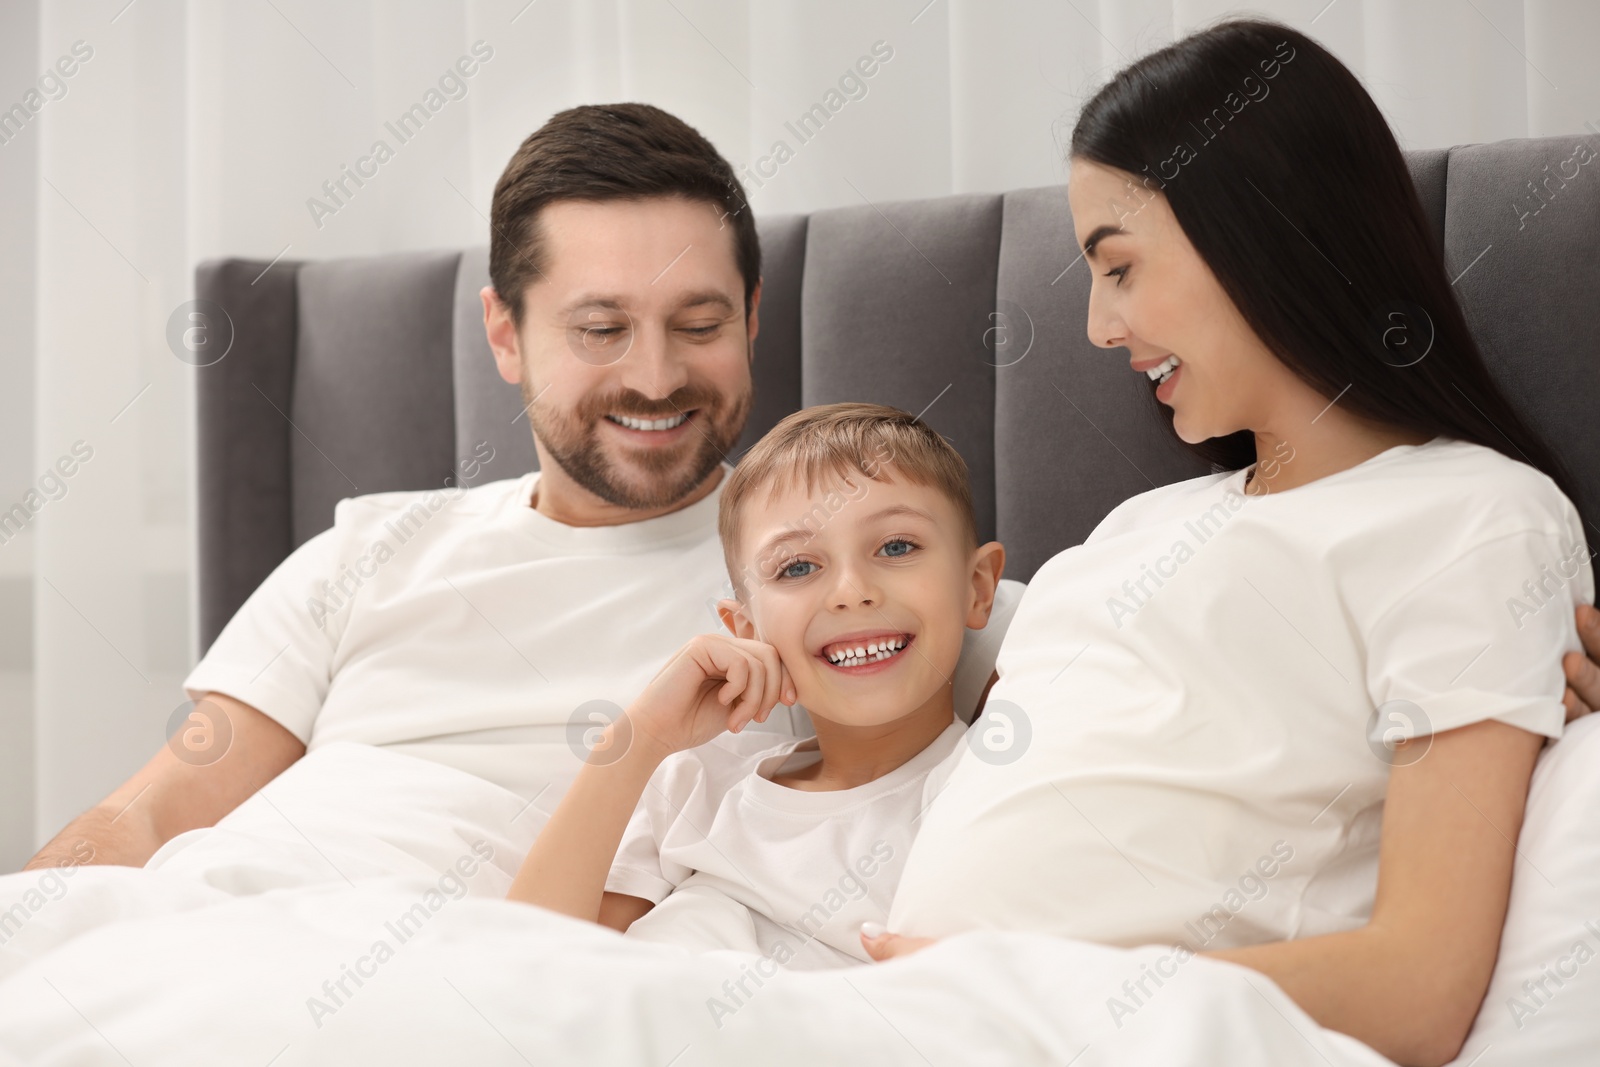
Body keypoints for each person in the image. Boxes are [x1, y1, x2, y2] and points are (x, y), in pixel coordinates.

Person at [863, 19, 1599, 1067]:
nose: (1096, 328)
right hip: (898, 1012)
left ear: (1261, 232)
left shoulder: (1471, 516)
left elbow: (1419, 983)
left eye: (1117, 267)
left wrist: (1016, 994)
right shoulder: (1132, 530)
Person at [23, 102, 776, 870]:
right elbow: (142, 822)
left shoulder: (831, 575)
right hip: (219, 931)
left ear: (750, 319)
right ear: (505, 334)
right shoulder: (365, 550)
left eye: (698, 325)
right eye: (601, 329)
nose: (655, 378)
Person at [507, 404, 1006, 968]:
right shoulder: (701, 781)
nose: (851, 590)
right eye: (796, 567)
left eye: (896, 547)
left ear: (978, 587)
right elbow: (531, 962)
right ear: (747, 631)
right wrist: (640, 738)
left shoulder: (988, 793)